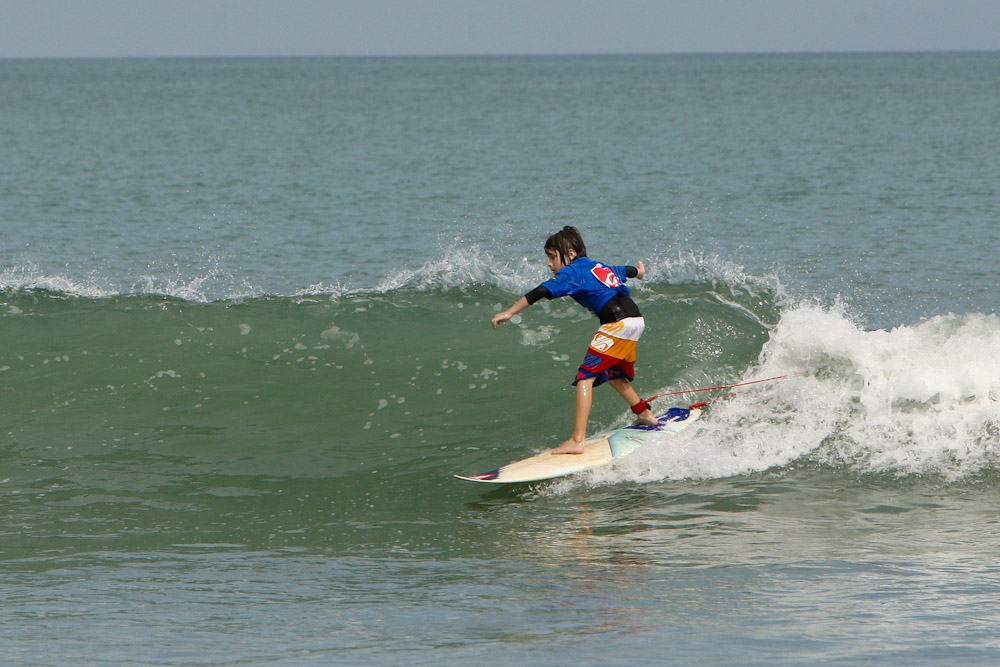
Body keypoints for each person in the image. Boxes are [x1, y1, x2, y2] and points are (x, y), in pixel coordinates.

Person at [491, 226, 658, 455]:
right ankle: (645, 414)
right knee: (612, 373)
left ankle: (577, 441)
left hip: (616, 325)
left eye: (552, 257)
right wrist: (639, 272)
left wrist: (509, 312)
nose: (549, 264)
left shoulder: (572, 272)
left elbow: (539, 292)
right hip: (635, 321)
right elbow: (624, 270)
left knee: (585, 377)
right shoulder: (597, 266)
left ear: (570, 254)